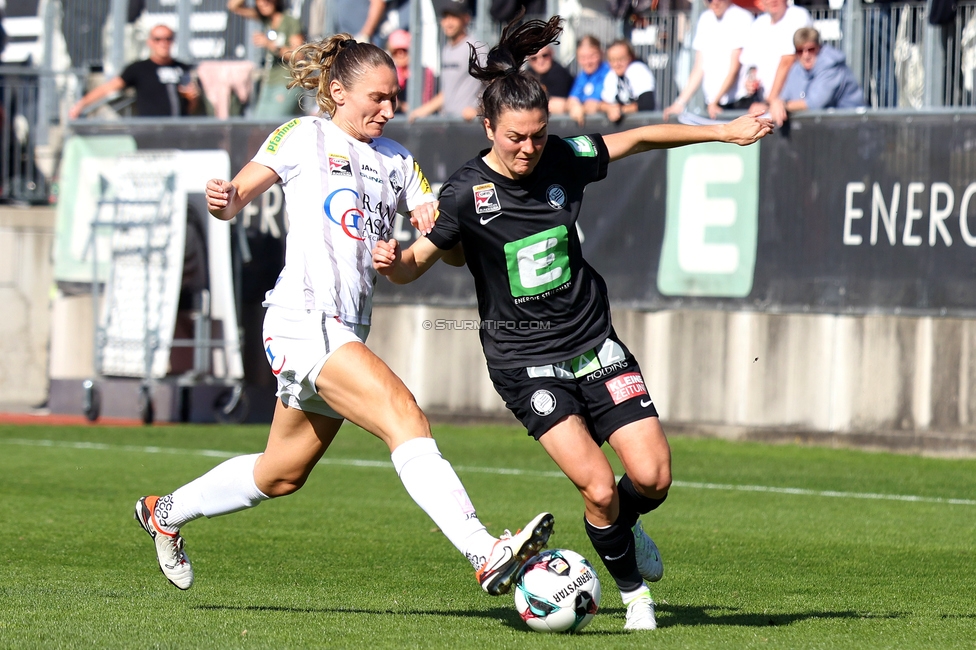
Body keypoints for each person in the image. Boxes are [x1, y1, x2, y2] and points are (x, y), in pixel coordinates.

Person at [372, 15, 772, 632]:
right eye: (514, 138)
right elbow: (417, 264)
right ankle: (635, 597)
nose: (528, 149)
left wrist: (722, 131)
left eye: (536, 135)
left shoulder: (562, 158)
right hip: (523, 360)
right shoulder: (463, 193)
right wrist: (391, 261)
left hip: (593, 343)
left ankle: (624, 531)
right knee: (599, 488)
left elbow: (636, 139)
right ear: (488, 128)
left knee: (652, 477)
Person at [134, 33, 553, 599]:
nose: (389, 108)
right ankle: (485, 551)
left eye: (395, 97)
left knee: (281, 473)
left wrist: (427, 227)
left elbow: (442, 243)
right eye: (377, 97)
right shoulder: (302, 136)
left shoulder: (399, 160)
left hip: (347, 327)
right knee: (403, 413)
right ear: (337, 92)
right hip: (301, 319)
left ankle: (166, 511)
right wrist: (223, 198)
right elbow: (237, 197)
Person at [69, 24, 198, 119]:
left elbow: (190, 105)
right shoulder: (139, 68)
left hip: (180, 129)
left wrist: (192, 99)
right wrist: (81, 105)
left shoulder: (182, 68)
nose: (163, 43)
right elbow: (109, 87)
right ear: (150, 42)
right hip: (150, 130)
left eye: (168, 39)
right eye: (158, 39)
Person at [662, 0, 756, 121]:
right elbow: (699, 68)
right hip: (713, 107)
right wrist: (679, 103)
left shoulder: (741, 17)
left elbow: (734, 68)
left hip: (738, 104)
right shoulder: (705, 19)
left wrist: (715, 101)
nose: (715, 3)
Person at [737, 0, 812, 125]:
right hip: (767, 106)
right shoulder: (759, 24)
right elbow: (750, 63)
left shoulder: (798, 16)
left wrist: (768, 102)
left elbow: (787, 62)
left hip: (791, 105)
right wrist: (751, 79)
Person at [227, 0, 305, 118]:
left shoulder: (289, 21)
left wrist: (271, 45)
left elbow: (298, 55)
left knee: (274, 126)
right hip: (269, 83)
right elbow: (233, 6)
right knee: (259, 125)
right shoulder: (267, 20)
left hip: (287, 83)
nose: (262, 3)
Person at [408, 0, 483, 122]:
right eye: (445, 17)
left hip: (469, 125)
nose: (448, 22)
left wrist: (478, 109)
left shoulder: (475, 48)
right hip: (449, 124)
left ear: (465, 19)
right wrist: (421, 112)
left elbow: (494, 83)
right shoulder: (447, 49)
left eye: (454, 17)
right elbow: (447, 93)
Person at [776, 27, 866, 115]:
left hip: (851, 120)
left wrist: (783, 106)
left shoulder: (831, 65)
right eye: (800, 51)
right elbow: (785, 96)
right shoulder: (797, 68)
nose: (805, 55)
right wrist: (778, 103)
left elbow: (815, 103)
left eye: (810, 49)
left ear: (818, 47)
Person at [601, 39, 656, 123]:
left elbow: (647, 103)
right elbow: (604, 102)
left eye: (621, 59)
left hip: (647, 125)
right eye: (613, 60)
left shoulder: (638, 69)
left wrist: (620, 110)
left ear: (631, 57)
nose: (617, 64)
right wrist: (608, 109)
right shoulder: (611, 75)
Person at [566, 35, 612, 126]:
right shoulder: (582, 76)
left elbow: (594, 104)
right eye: (583, 57)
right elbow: (571, 100)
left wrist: (581, 109)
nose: (588, 62)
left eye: (592, 56)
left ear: (601, 53)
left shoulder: (609, 73)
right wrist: (574, 107)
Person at [387, 28, 435, 114]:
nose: (400, 54)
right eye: (396, 51)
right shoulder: (390, 72)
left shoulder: (425, 72)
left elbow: (427, 101)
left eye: (404, 50)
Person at [526, 45, 573, 114]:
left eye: (545, 55)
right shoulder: (527, 75)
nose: (540, 61)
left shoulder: (559, 74)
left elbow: (560, 105)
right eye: (534, 58)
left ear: (551, 53)